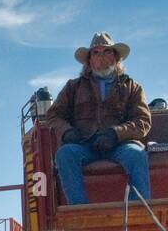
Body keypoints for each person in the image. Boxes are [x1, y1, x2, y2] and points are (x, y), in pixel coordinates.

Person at [47, 31, 153, 205]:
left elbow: (143, 121)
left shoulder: (132, 87)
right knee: (65, 154)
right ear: (89, 60)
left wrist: (114, 134)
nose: (101, 57)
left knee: (136, 154)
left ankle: (139, 211)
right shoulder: (73, 87)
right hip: (84, 144)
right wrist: (67, 132)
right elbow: (54, 115)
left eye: (107, 51)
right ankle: (81, 212)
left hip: (121, 145)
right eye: (96, 52)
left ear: (116, 58)